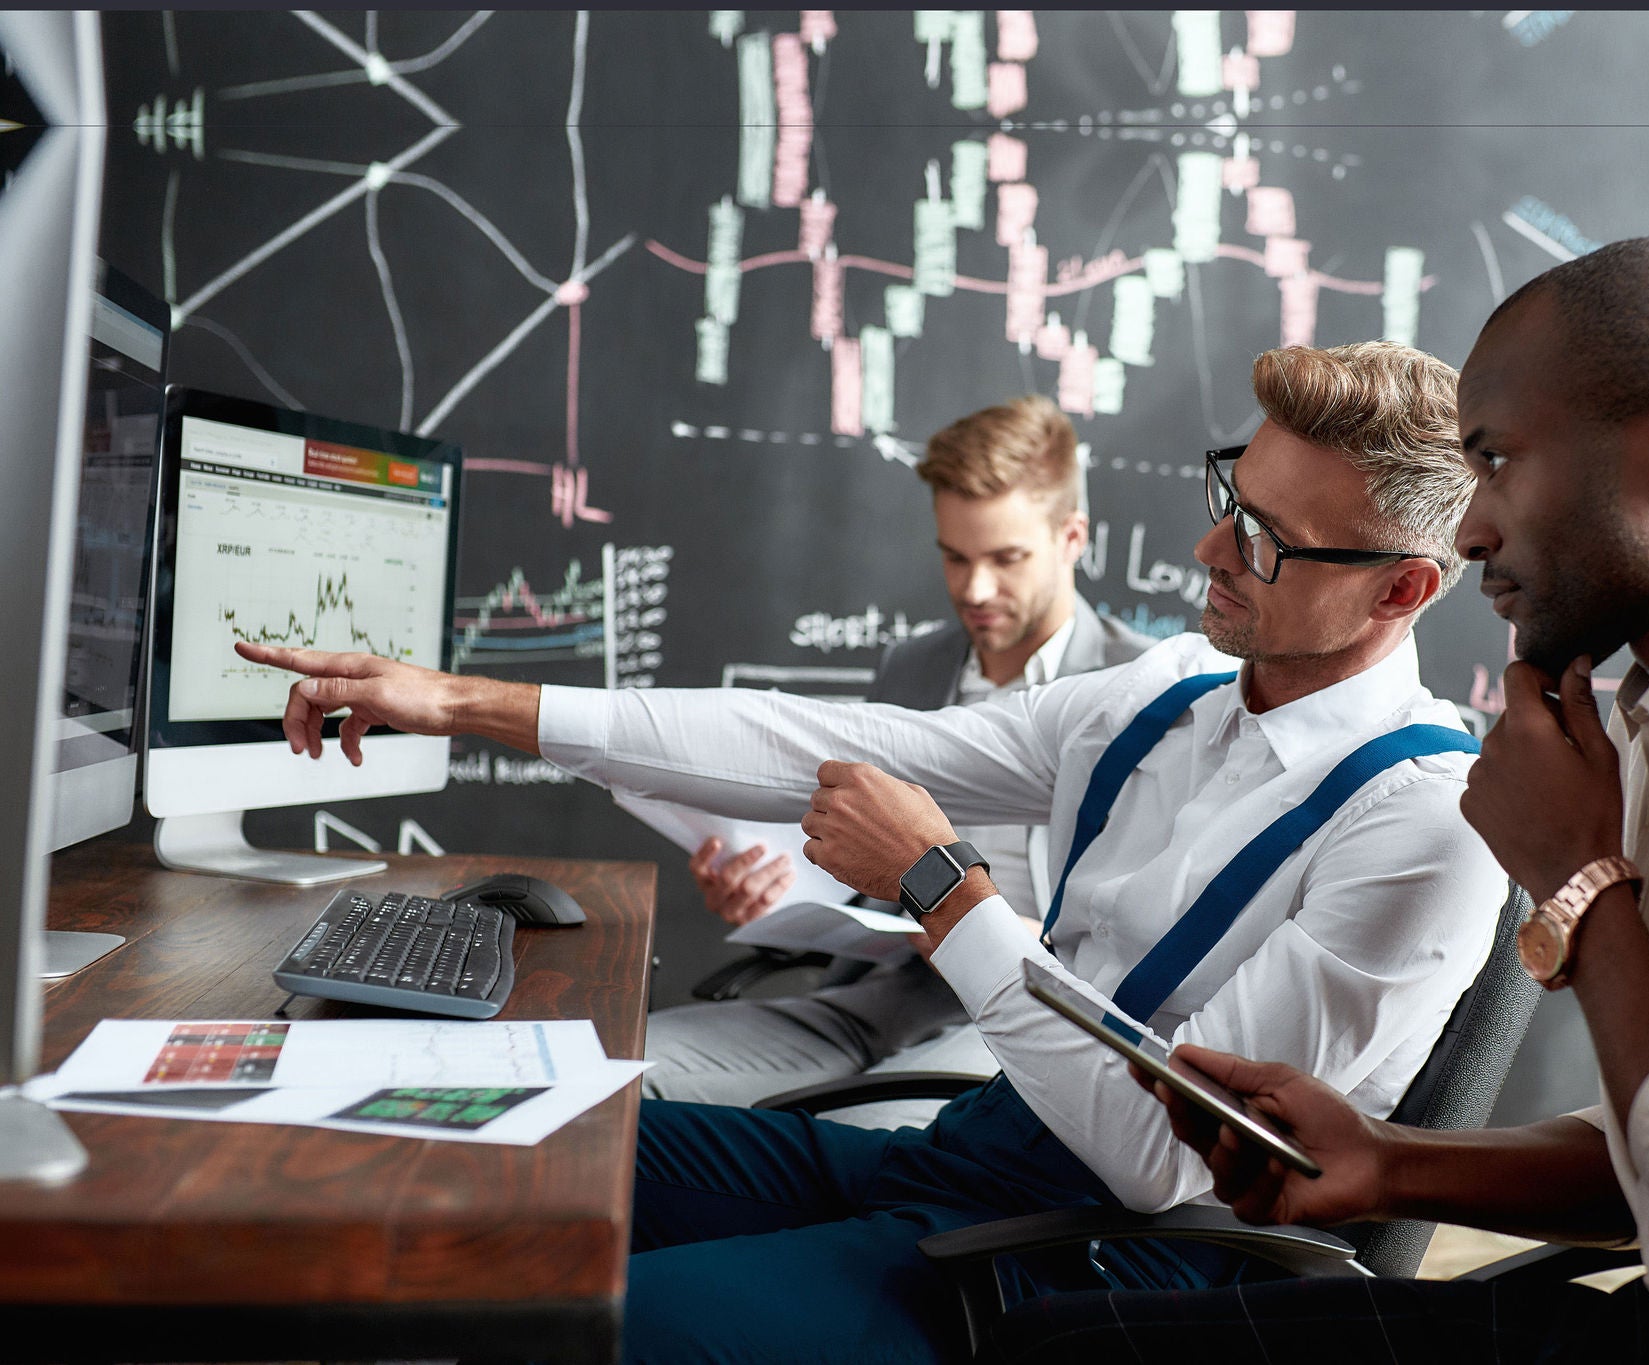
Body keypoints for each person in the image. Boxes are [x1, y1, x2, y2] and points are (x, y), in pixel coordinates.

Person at [235, 341, 1508, 1363]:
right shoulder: (1168, 694)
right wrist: (461, 702)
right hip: (976, 1158)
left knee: (600, 1316)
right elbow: (822, 739)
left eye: (1268, 542)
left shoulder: (1423, 826)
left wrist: (943, 892)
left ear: (1402, 590)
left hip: (1123, 1262)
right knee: (508, 1143)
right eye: (1231, 498)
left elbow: (1154, 1155)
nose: (1208, 553)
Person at [993, 238, 1649, 1365]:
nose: (1466, 529)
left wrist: (1582, 887)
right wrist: (1387, 1164)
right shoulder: (1646, 715)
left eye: (1496, 461)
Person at [634, 394, 1153, 1113]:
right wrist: (775, 892)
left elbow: (1157, 940)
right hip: (875, 1000)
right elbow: (862, 874)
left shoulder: (1142, 695)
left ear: (1071, 537)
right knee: (626, 1068)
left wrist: (994, 933)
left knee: (859, 1127)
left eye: (1006, 559)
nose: (975, 589)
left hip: (1025, 1027)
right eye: (955, 557)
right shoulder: (913, 668)